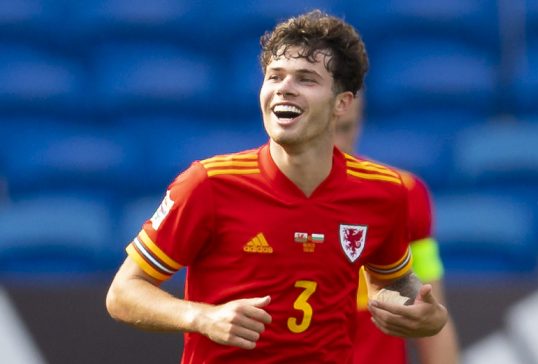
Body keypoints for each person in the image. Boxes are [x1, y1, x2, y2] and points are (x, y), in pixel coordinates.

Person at [106, 10, 448, 363]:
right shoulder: (207, 184)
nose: (285, 87)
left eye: (306, 79)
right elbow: (122, 293)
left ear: (342, 104)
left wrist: (428, 316)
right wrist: (202, 316)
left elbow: (390, 284)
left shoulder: (384, 193)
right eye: (275, 76)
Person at [335, 92, 461, 363]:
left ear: (359, 114)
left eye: (345, 129)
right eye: (325, 129)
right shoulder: (249, 196)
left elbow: (430, 313)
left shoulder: (405, 193)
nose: (334, 147)